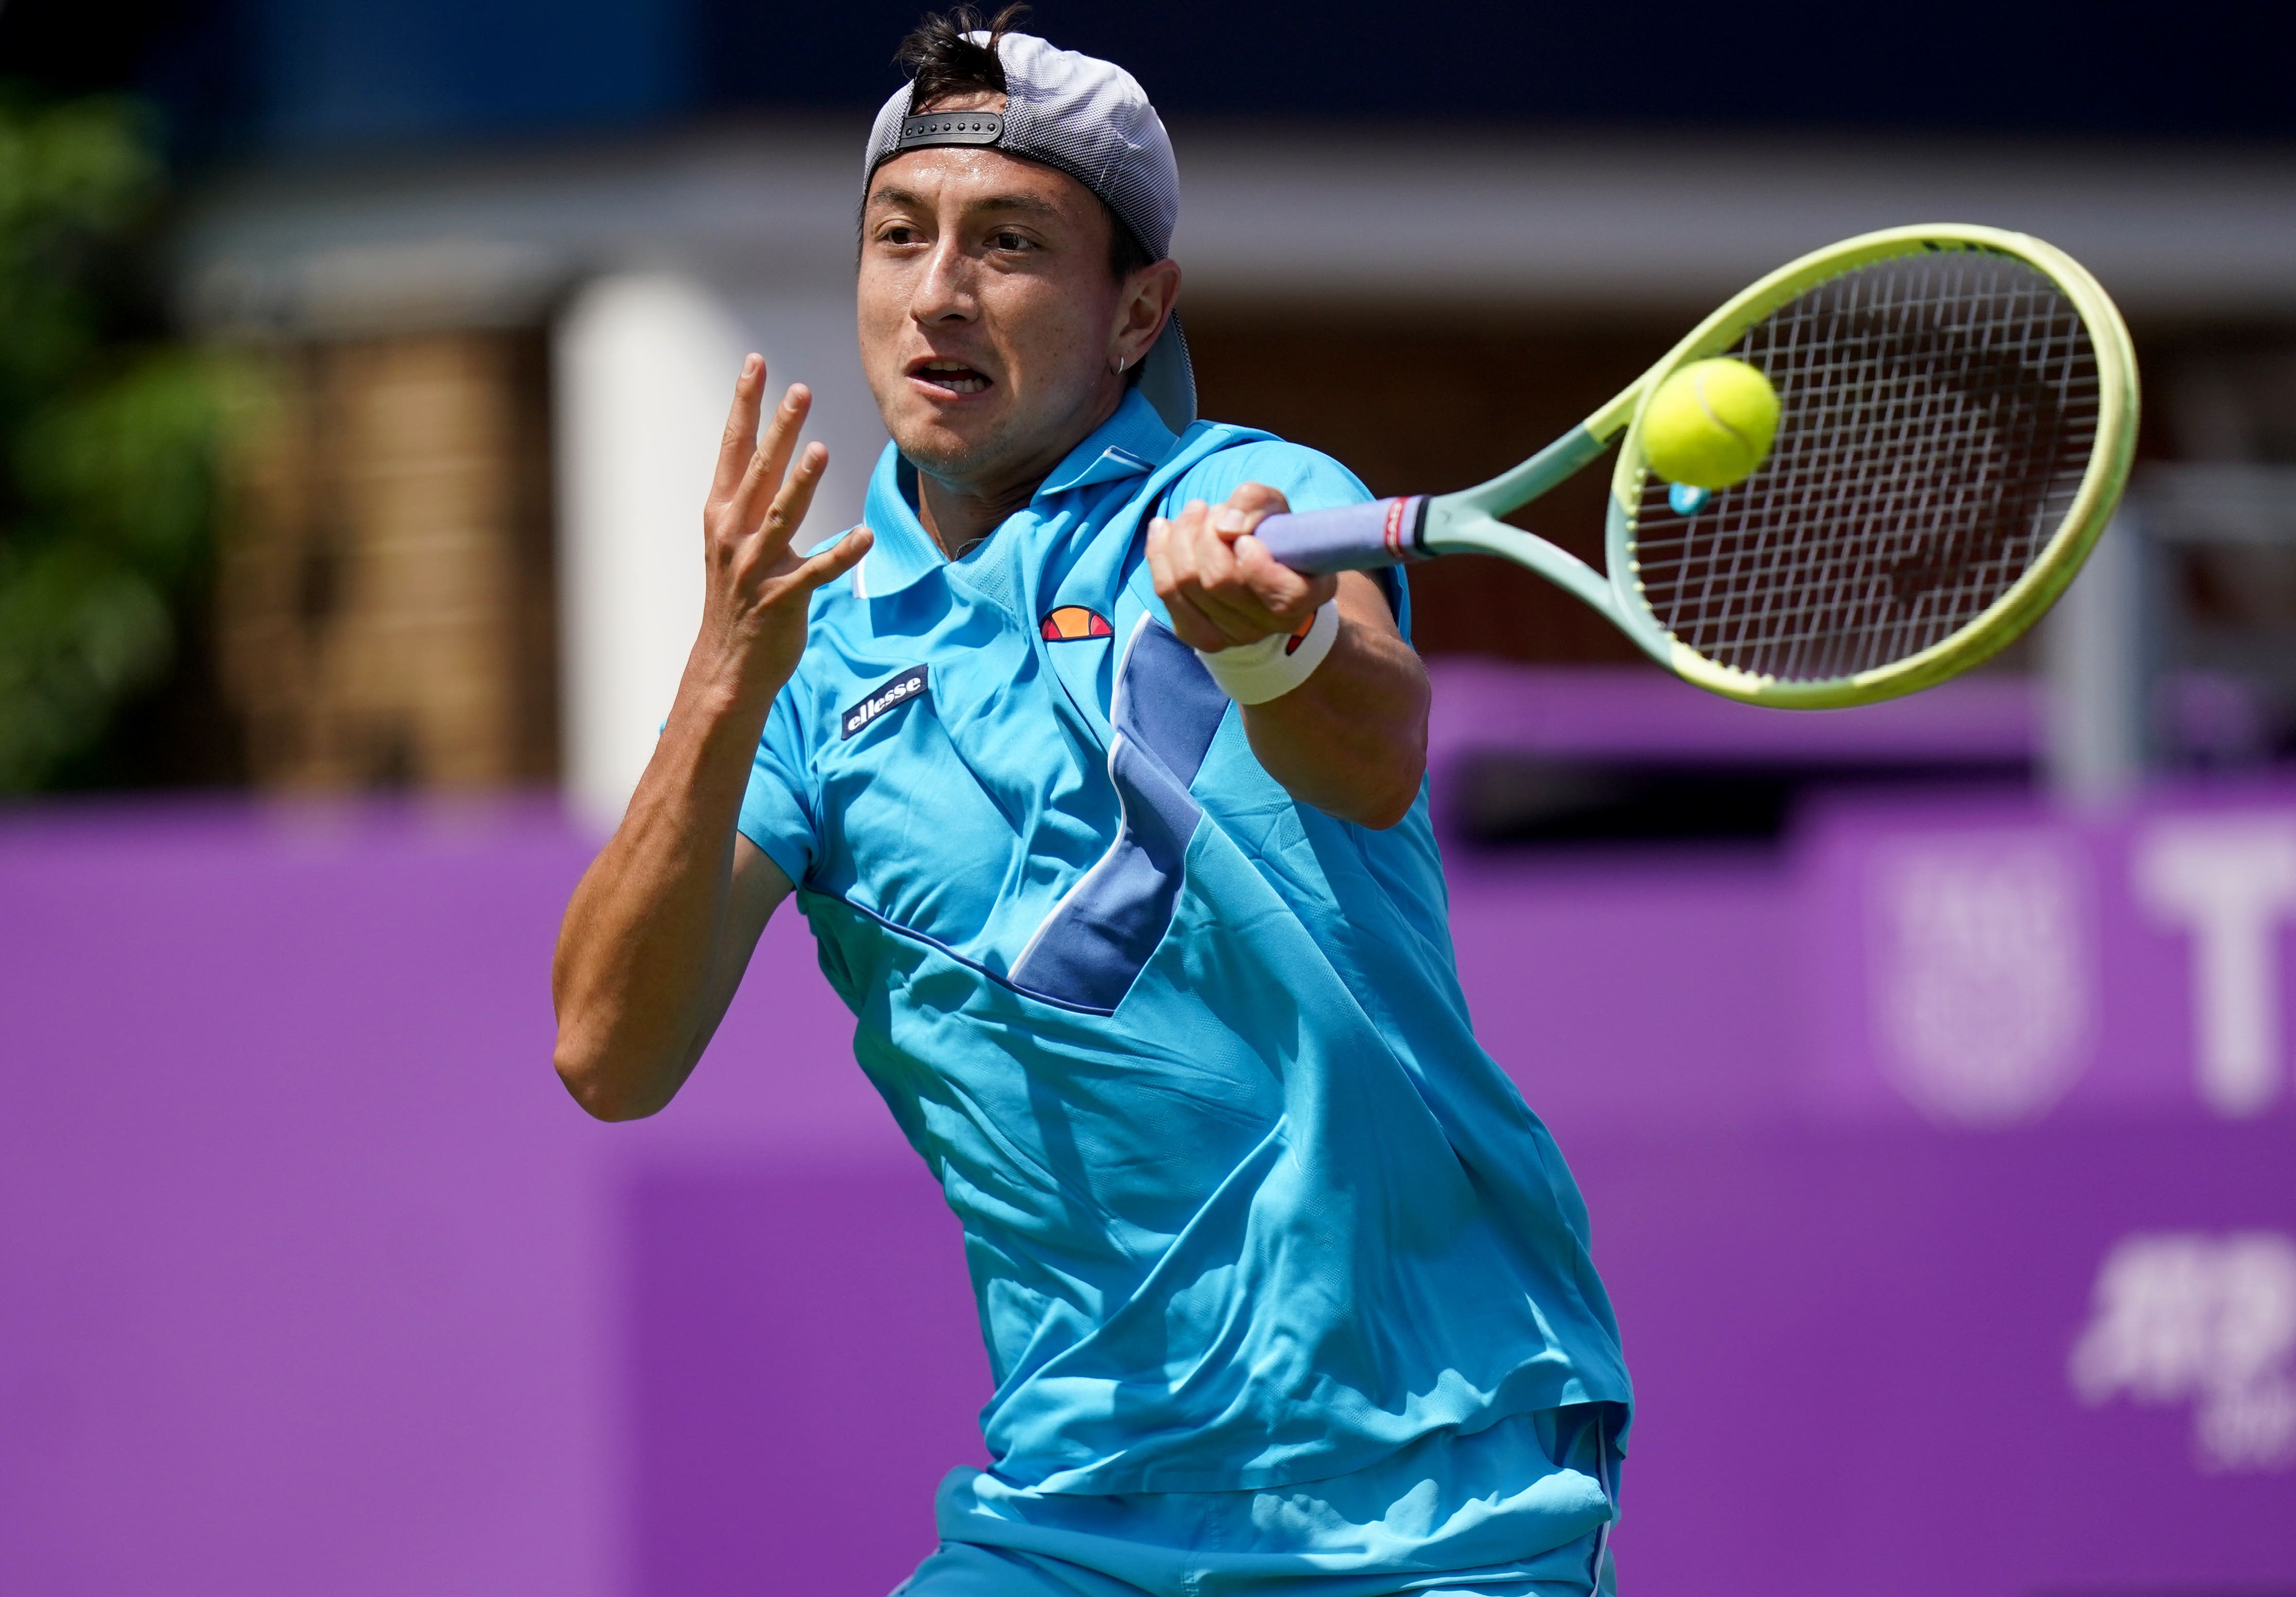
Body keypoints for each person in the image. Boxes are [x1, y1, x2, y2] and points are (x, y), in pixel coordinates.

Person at [551, 10, 1631, 1593]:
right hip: (1076, 1505)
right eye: (899, 237)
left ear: (1138, 313)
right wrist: (722, 672)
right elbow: (606, 1051)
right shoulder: (808, 660)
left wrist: (1265, 648)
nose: (937, 293)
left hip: (1429, 1476)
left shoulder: (1249, 501)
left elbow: (1372, 747)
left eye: (1009, 244)